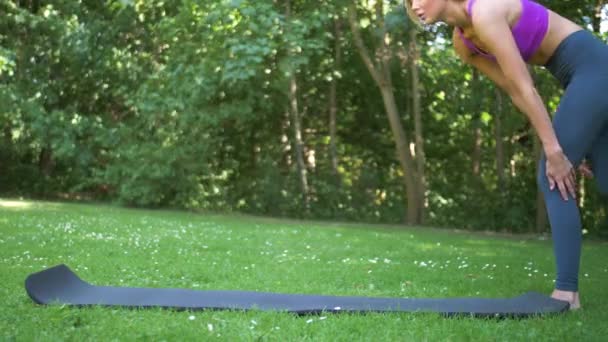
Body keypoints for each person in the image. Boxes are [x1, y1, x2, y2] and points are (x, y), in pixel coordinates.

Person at [404, 0, 608, 310]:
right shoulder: (463, 42)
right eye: (408, 1)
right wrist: (566, 142)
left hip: (594, 69)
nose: (414, 5)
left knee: (552, 175)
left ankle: (567, 293)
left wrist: (555, 150)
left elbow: (526, 86)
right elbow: (515, 90)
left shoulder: (485, 11)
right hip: (583, 80)